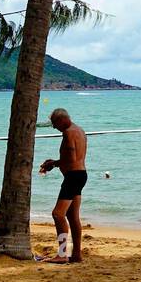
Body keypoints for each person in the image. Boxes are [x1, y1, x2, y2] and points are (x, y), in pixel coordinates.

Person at [39, 108, 87, 263]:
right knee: (72, 217)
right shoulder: (80, 130)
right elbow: (74, 157)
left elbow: (71, 159)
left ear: (62, 120)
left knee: (57, 214)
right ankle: (77, 254)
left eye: (54, 124)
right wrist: (56, 163)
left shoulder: (68, 133)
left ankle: (61, 254)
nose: (54, 127)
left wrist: (53, 163)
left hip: (73, 177)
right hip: (80, 175)